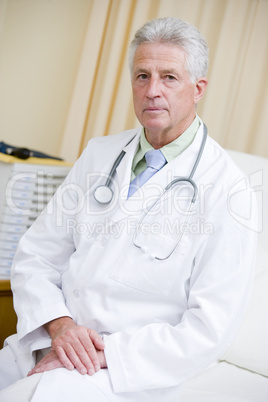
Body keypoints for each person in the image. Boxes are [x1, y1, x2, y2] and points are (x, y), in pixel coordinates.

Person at [0, 16, 257, 402]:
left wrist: (102, 355)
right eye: (142, 76)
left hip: (124, 368)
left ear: (198, 88)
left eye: (169, 77)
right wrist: (60, 326)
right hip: (51, 340)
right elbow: (36, 255)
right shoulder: (98, 154)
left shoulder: (229, 189)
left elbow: (209, 328)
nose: (152, 90)